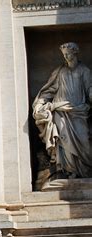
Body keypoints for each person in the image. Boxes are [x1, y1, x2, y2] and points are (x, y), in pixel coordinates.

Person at [33, 42, 92, 180]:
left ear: (75, 53)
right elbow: (49, 90)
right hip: (61, 111)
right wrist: (41, 103)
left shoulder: (84, 71)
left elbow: (90, 87)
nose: (66, 56)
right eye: (64, 54)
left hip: (79, 111)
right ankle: (66, 171)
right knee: (63, 142)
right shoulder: (59, 71)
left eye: (68, 53)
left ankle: (84, 171)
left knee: (84, 140)